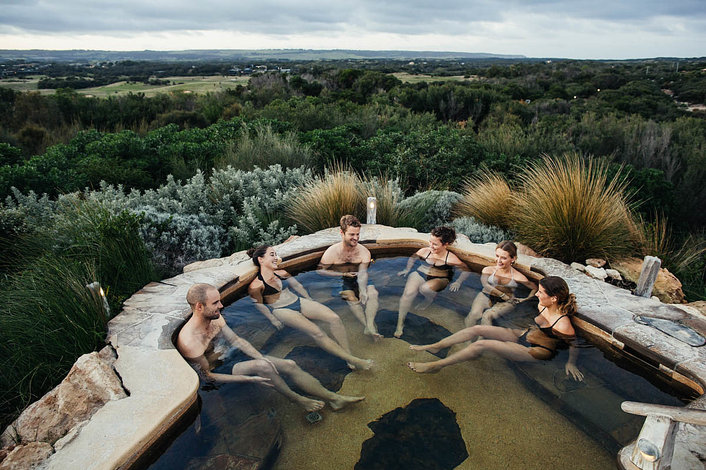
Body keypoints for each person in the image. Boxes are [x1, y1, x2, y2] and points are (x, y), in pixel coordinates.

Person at [176, 283, 365, 412]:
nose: (222, 305)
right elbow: (207, 376)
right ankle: (297, 399)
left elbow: (238, 341)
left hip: (232, 356)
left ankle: (333, 398)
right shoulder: (189, 342)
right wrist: (250, 379)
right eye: (215, 303)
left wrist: (261, 356)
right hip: (219, 369)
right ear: (199, 307)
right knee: (263, 368)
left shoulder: (216, 318)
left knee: (289, 364)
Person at [406, 276, 584, 381]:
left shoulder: (562, 323)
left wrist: (571, 362)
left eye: (541, 292)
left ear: (553, 298)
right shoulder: (542, 306)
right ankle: (438, 345)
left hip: (537, 350)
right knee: (476, 329)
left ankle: (436, 365)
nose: (536, 294)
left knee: (481, 345)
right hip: (525, 334)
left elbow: (573, 343)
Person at [248, 244, 373, 370]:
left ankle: (348, 354)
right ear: (261, 259)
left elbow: (298, 286)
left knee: (334, 318)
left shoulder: (282, 273)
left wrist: (308, 299)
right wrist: (272, 318)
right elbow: (258, 304)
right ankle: (354, 360)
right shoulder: (256, 286)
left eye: (276, 254)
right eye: (272, 255)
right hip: (281, 310)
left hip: (298, 301)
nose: (276, 257)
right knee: (317, 333)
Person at [395, 226, 471, 338]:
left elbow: (466, 270)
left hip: (440, 278)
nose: (431, 246)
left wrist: (458, 282)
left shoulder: (451, 259)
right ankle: (399, 324)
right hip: (420, 274)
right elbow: (413, 258)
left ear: (445, 244)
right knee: (408, 294)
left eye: (435, 244)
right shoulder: (424, 251)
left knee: (424, 288)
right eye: (430, 242)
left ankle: (429, 299)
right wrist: (407, 269)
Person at [318, 215, 381, 341]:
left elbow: (363, 273)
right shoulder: (332, 252)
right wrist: (342, 274)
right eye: (352, 234)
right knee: (351, 298)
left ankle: (370, 326)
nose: (356, 238)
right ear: (342, 233)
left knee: (373, 293)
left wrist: (363, 290)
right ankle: (367, 326)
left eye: (358, 234)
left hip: (358, 276)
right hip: (340, 278)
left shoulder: (364, 252)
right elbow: (320, 271)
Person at [465, 241, 537, 327]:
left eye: (503, 258)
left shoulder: (518, 277)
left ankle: (481, 339)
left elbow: (534, 288)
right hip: (486, 294)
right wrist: (502, 294)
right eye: (497, 256)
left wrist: (525, 299)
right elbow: (485, 285)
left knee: (487, 316)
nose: (498, 261)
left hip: (507, 300)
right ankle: (467, 337)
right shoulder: (488, 270)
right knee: (474, 314)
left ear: (513, 258)